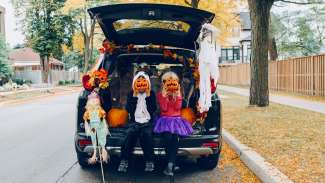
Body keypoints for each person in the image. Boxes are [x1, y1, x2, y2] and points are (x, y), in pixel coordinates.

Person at [154, 71, 193, 176]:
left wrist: (178, 95)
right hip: (165, 120)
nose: (171, 84)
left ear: (177, 83)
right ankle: (171, 164)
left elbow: (177, 108)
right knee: (168, 137)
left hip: (176, 120)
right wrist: (165, 96)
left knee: (175, 138)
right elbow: (164, 108)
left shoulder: (178, 94)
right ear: (163, 83)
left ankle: (170, 165)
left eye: (173, 81)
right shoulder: (160, 94)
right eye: (167, 82)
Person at [118, 71, 157, 172]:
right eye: (138, 82)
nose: (141, 84)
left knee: (146, 135)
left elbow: (153, 109)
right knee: (129, 134)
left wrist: (147, 96)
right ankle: (124, 160)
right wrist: (135, 97)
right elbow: (129, 109)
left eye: (144, 82)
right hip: (134, 121)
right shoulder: (131, 94)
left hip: (147, 121)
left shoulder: (151, 94)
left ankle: (149, 161)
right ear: (135, 84)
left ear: (147, 84)